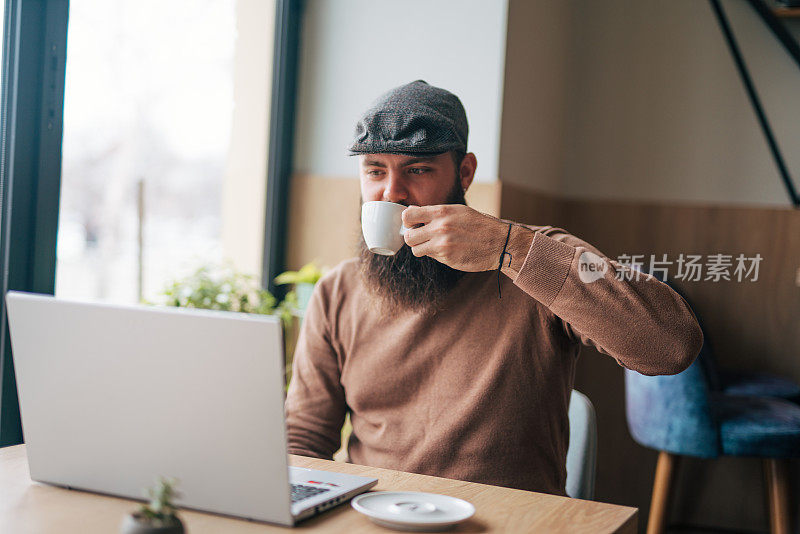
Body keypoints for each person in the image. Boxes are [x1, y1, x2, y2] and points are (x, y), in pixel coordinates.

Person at [285, 80, 703, 496]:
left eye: (417, 169)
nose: (391, 192)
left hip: (509, 521)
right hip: (375, 517)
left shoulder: (538, 257)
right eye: (374, 170)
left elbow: (671, 344)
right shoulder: (338, 291)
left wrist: (512, 249)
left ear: (465, 173)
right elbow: (302, 439)